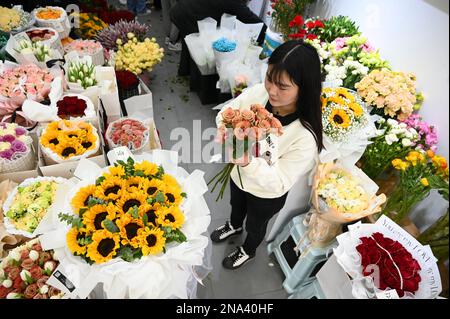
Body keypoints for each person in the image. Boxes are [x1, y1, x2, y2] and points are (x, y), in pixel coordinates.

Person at [211, 40, 324, 270]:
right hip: (238, 176)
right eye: (270, 78)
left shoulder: (305, 136)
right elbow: (226, 111)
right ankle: (233, 225)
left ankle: (248, 250)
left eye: (283, 87)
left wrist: (247, 162)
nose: (272, 90)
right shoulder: (260, 93)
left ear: (305, 88)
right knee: (236, 204)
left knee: (256, 223)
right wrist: (227, 128)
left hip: (266, 194)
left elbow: (280, 181)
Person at [170, 0, 267, 75]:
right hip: (187, 14)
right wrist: (268, 34)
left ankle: (185, 70)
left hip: (181, 9)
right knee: (197, 47)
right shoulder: (235, 3)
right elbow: (251, 19)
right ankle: (195, 77)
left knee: (189, 43)